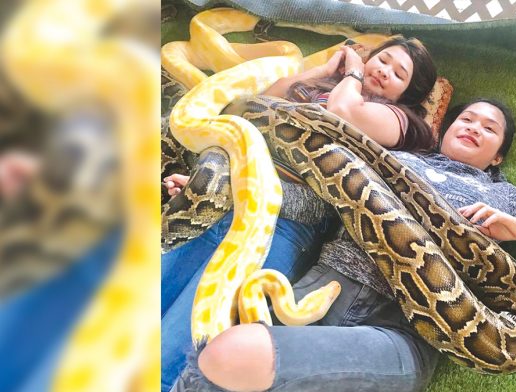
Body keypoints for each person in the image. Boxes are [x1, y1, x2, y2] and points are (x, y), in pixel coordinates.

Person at [185, 99, 516, 392]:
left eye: (489, 128)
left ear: (498, 157)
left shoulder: (506, 196)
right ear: (445, 131)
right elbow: (317, 204)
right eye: (467, 119)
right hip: (323, 289)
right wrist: (228, 191)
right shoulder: (396, 159)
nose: (474, 127)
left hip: (402, 333)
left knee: (231, 353)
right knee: (218, 360)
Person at [160, 36, 438, 391]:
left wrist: (352, 72)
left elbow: (342, 114)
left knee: (177, 346)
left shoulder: (396, 119)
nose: (384, 71)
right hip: (226, 202)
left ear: (408, 94)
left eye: (399, 73)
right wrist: (321, 71)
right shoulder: (326, 87)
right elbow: (261, 103)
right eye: (383, 60)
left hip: (283, 223)